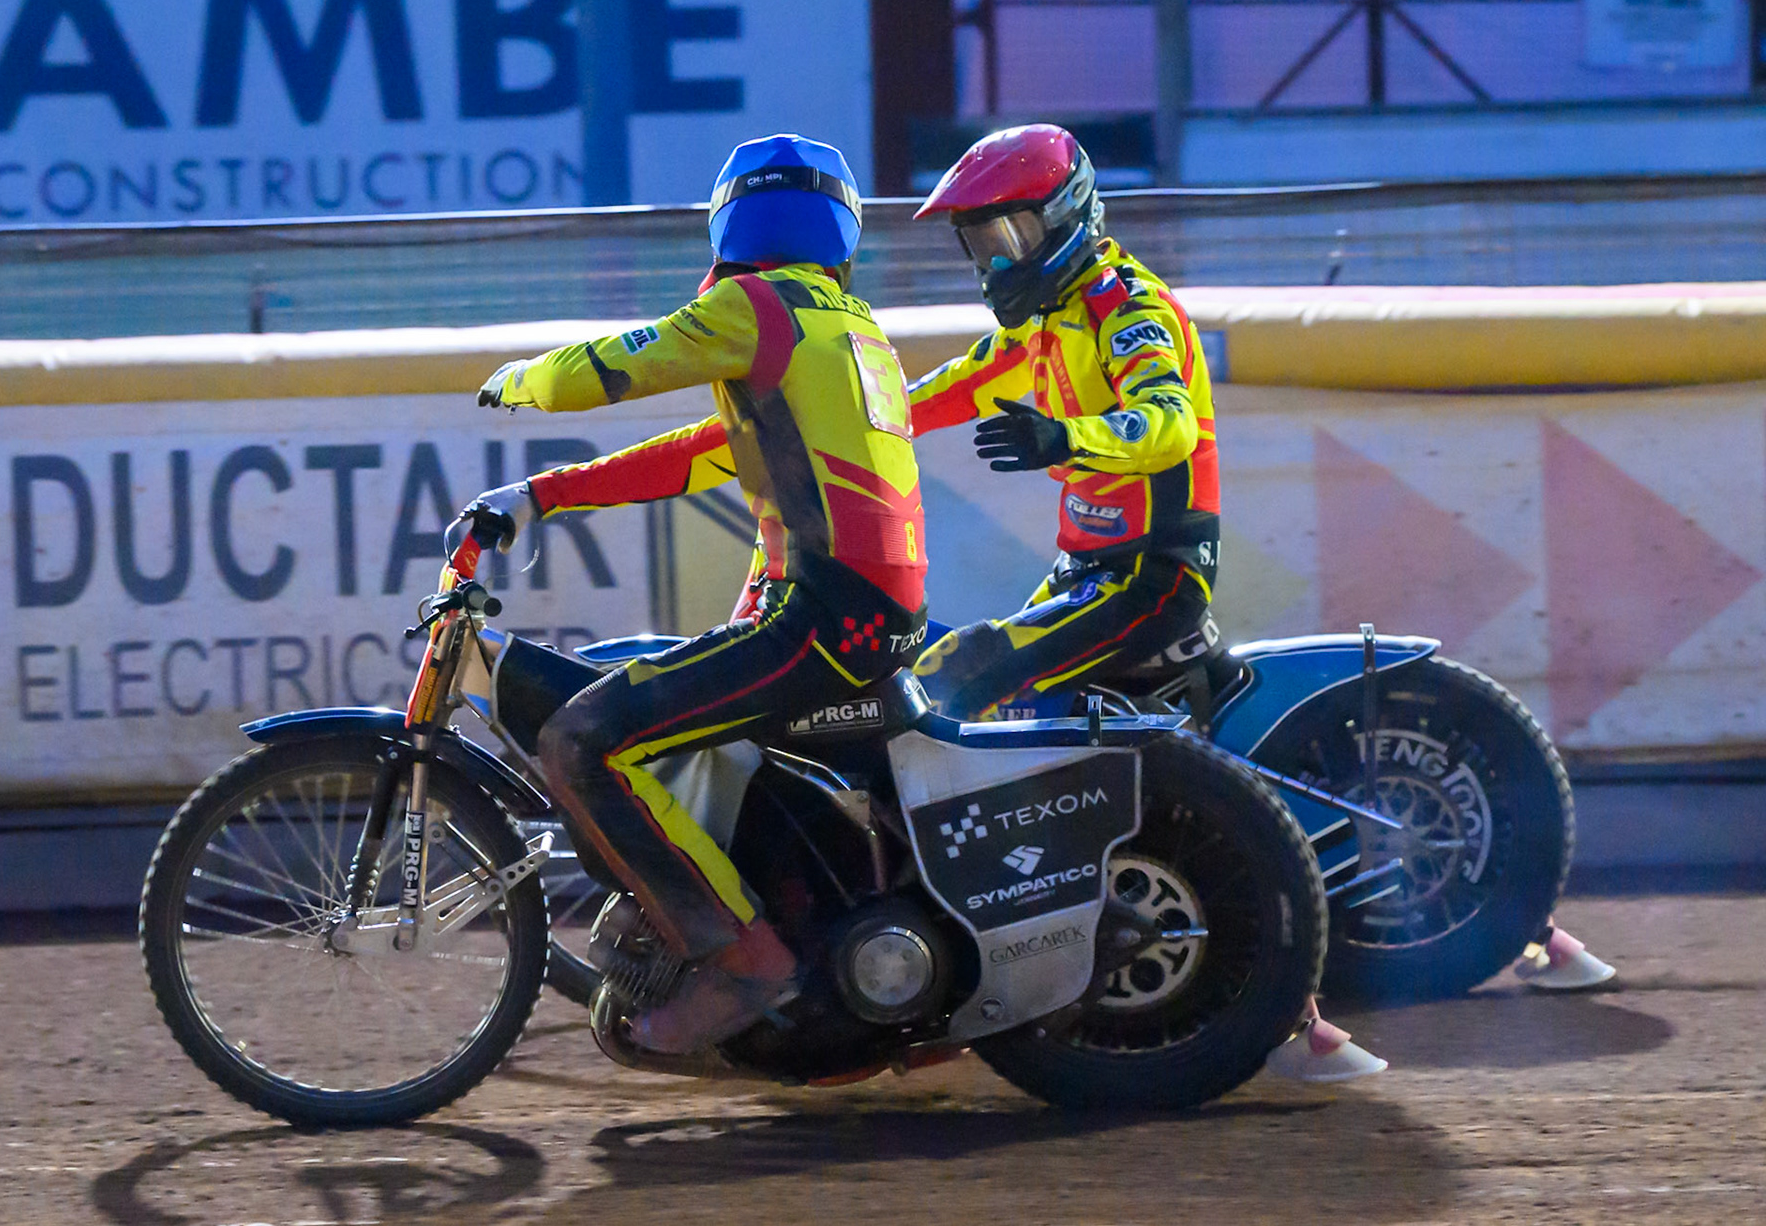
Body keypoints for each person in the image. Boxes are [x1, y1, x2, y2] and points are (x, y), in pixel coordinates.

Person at [903, 123, 1389, 1080]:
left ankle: (962, 943)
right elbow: (946, 392)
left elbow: (1165, 423)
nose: (992, 259)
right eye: (978, 242)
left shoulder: (1130, 309)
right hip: (1087, 575)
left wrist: (1064, 440)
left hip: (1149, 577)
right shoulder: (1041, 324)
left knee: (952, 678)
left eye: (1005, 234)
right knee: (962, 685)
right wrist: (856, 425)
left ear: (1064, 215)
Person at [467, 134, 928, 1055]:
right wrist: (545, 495)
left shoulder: (754, 305)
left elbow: (622, 362)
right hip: (859, 615)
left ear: (726, 221)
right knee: (655, 707)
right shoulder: (845, 329)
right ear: (841, 228)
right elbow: (698, 456)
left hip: (826, 618)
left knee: (582, 737)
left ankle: (746, 959)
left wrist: (523, 381)